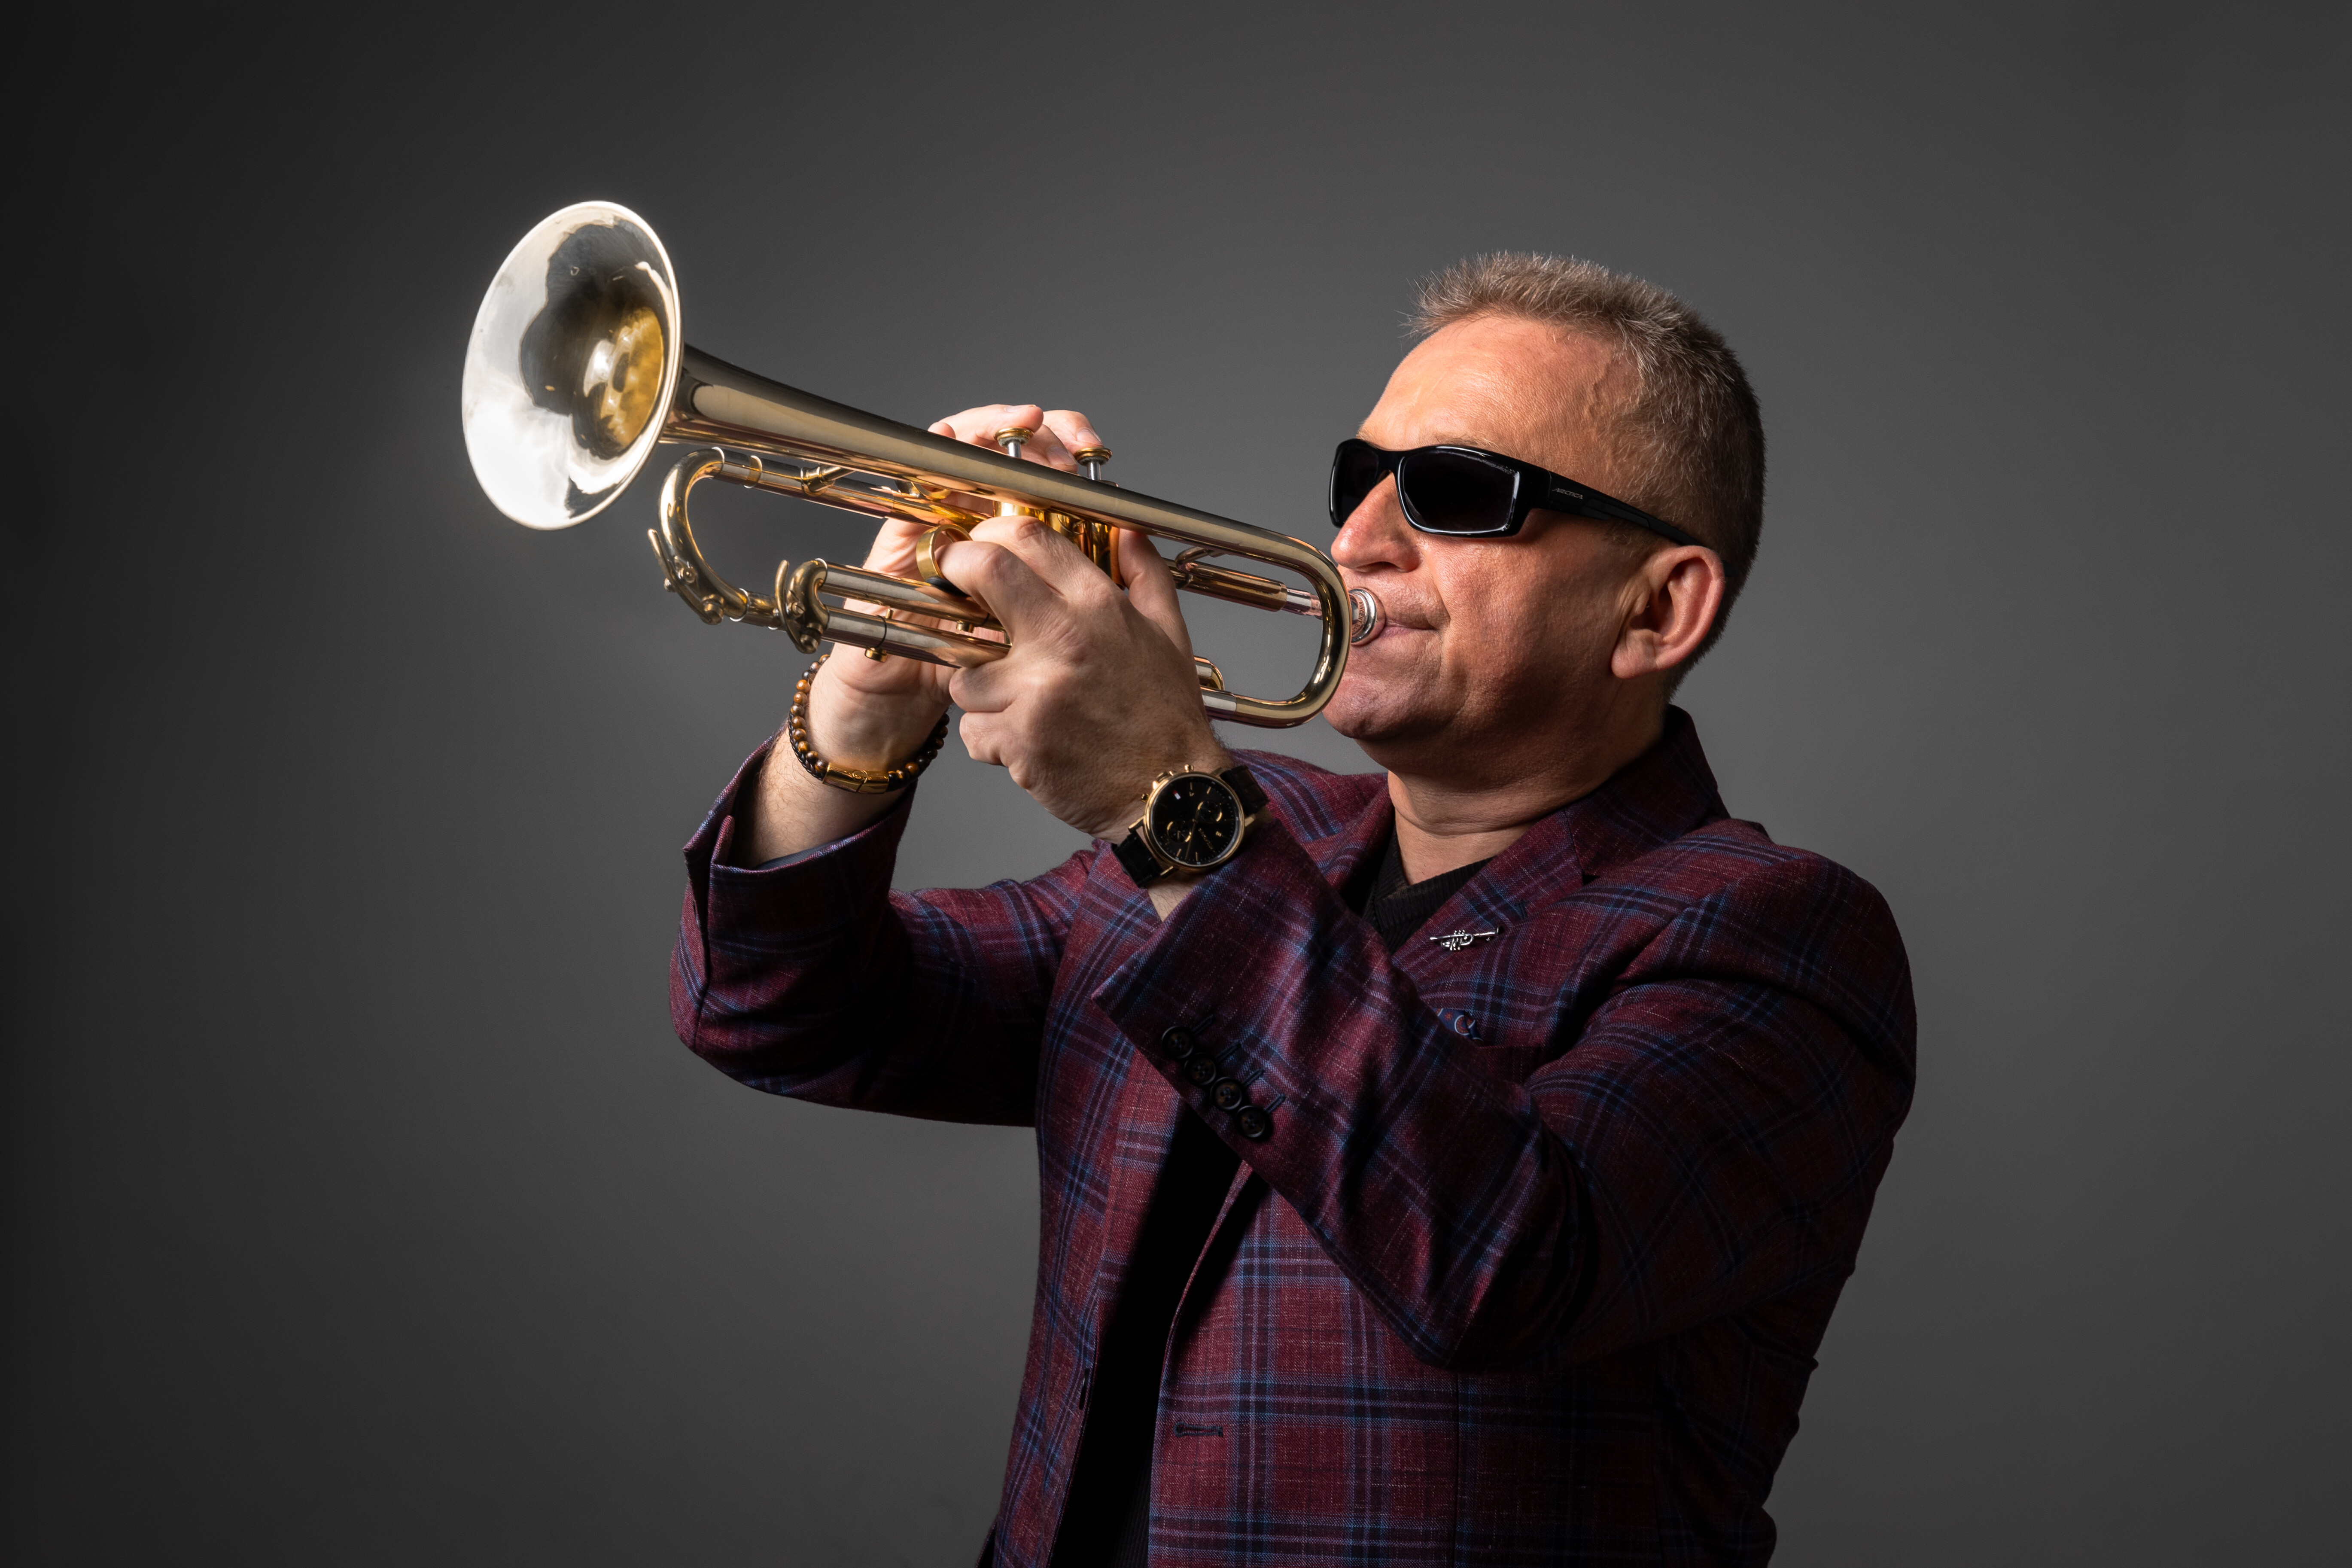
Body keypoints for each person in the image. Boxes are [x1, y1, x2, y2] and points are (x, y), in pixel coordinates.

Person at [671, 253, 1915, 1568]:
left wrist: (1164, 798)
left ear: (1657, 608)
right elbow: (776, 1007)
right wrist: (858, 718)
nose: (1360, 537)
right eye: (1358, 478)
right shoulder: (1266, 834)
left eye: (1454, 490)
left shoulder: (1775, 933)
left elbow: (1503, 1257)